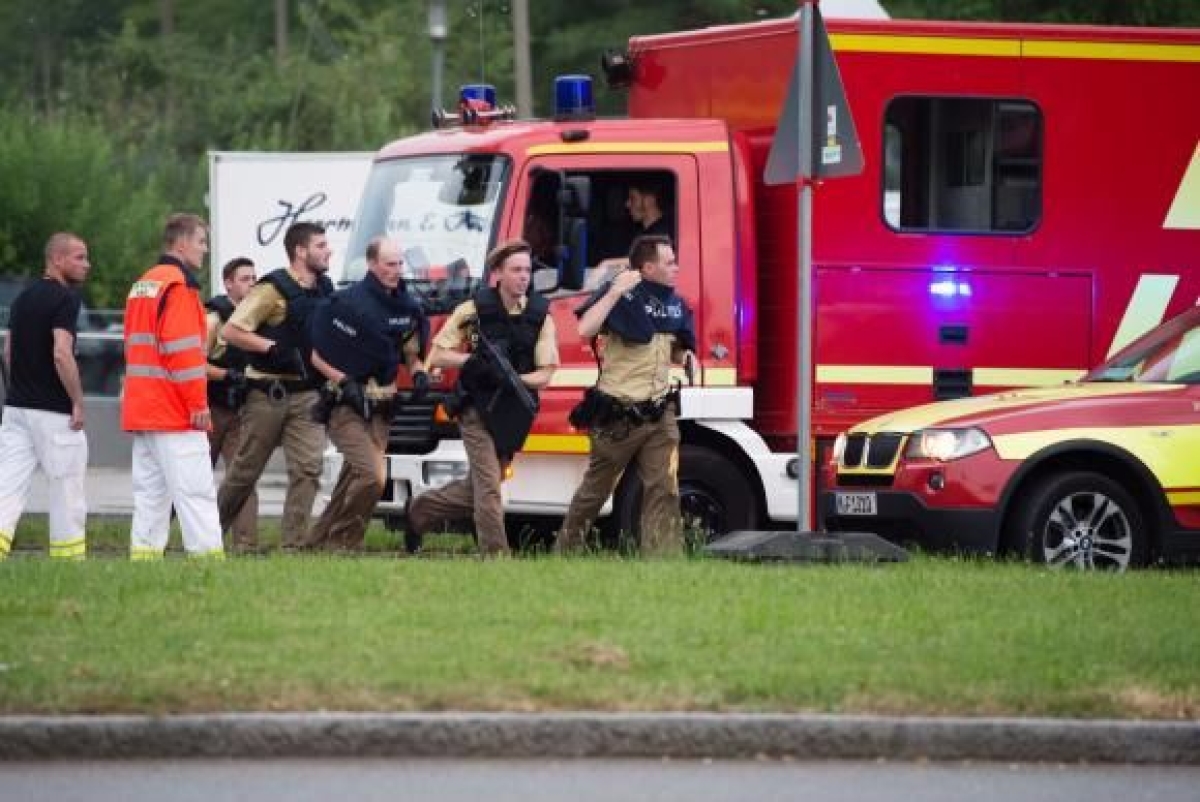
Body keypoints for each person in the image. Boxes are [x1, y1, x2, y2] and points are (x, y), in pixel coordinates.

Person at [406, 239, 559, 557]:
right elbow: (437, 354)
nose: (523, 277)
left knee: (483, 485)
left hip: (512, 411)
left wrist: (512, 380)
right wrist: (471, 362)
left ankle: (420, 511)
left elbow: (545, 375)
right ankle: (496, 557)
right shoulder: (473, 309)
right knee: (489, 486)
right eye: (516, 270)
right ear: (498, 274)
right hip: (475, 408)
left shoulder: (541, 316)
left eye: (527, 270)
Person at [555, 234, 697, 557]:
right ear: (648, 267)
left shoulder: (672, 304)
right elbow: (585, 329)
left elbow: (668, 344)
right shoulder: (622, 298)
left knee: (663, 488)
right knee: (595, 492)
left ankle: (662, 562)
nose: (677, 267)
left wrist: (684, 355)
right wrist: (616, 290)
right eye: (669, 262)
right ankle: (565, 551)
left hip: (660, 412)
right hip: (617, 415)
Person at [299, 237, 428, 552]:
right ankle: (344, 543)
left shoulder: (407, 307)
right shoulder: (345, 303)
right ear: (372, 264)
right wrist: (345, 382)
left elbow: (410, 352)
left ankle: (315, 543)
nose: (396, 271)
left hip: (382, 406)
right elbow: (316, 355)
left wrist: (419, 372)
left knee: (350, 480)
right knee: (372, 477)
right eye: (389, 264)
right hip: (344, 405)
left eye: (399, 264)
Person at [217, 222, 333, 550]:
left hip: (308, 395)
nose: (328, 251)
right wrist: (271, 348)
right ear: (300, 251)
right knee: (244, 473)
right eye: (321, 245)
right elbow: (232, 332)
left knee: (308, 470)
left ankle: (293, 548)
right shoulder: (272, 289)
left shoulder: (325, 288)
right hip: (268, 395)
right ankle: (208, 537)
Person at [121, 214, 224, 560]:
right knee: (196, 494)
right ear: (181, 243)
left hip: (143, 409)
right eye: (201, 241)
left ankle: (144, 563)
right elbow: (183, 355)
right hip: (175, 411)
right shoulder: (179, 287)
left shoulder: (144, 284)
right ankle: (209, 564)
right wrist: (198, 405)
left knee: (150, 498)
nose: (205, 250)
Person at [0, 233, 91, 560]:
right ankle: (68, 562)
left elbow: (8, 351)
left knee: (7, 490)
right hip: (54, 414)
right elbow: (61, 354)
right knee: (67, 491)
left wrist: (22, 385)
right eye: (79, 257)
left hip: (15, 409)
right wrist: (78, 401)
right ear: (56, 259)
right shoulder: (65, 299)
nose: (86, 265)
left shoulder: (23, 298)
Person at [204, 256, 258, 552]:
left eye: (254, 279)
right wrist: (227, 374)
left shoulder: (255, 319)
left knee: (243, 476)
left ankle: (246, 544)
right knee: (195, 479)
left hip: (241, 411)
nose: (251, 284)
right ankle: (157, 535)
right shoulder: (214, 318)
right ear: (228, 283)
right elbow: (194, 365)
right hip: (209, 411)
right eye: (244, 279)